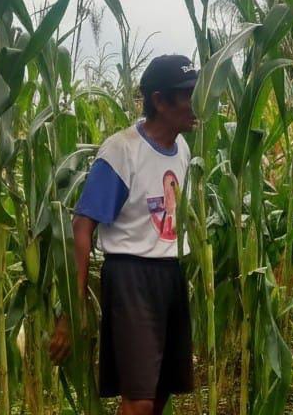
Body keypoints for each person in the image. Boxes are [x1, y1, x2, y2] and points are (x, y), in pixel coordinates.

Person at [49, 54, 199, 415]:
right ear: (160, 101)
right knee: (140, 397)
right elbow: (82, 226)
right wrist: (74, 305)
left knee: (161, 391)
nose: (197, 103)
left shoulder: (182, 150)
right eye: (187, 94)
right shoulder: (123, 150)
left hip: (170, 273)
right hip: (131, 277)